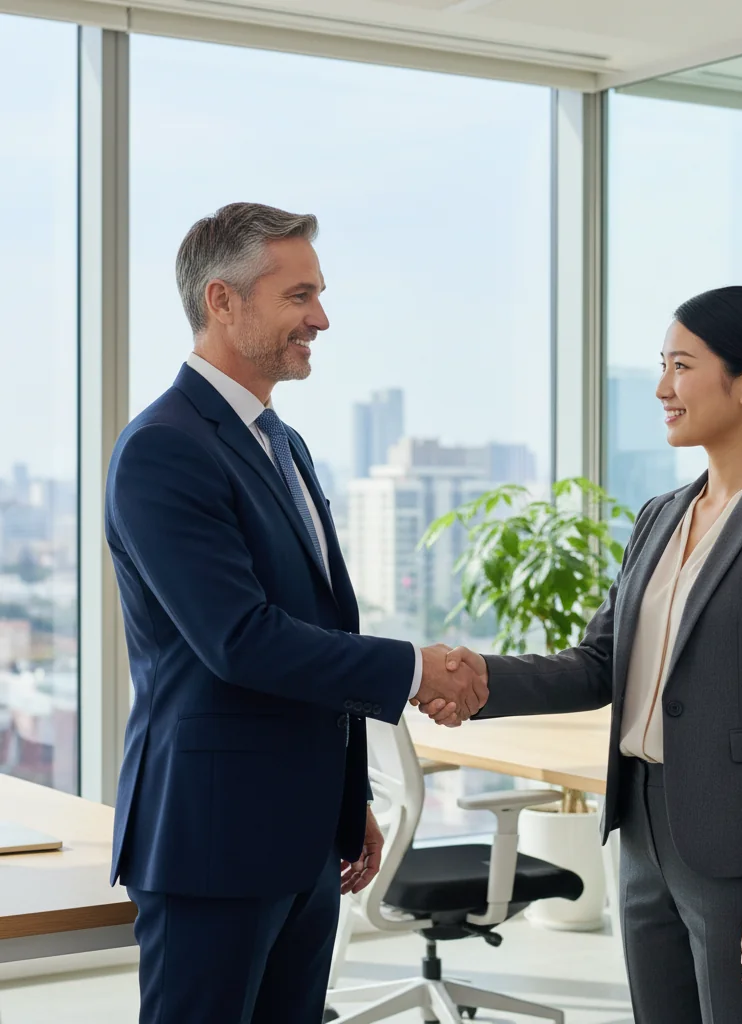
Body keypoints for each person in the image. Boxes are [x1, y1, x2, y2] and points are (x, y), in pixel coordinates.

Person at [422, 285, 742, 1024]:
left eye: (681, 366)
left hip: (739, 850)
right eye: (663, 365)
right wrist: (481, 678)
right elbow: (601, 662)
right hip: (644, 832)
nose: (663, 388)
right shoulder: (661, 515)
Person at [105, 202, 485, 1024]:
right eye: (299, 295)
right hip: (213, 841)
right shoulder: (164, 447)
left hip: (304, 840)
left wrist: (347, 807)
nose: (321, 317)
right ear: (222, 301)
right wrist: (417, 668)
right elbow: (241, 641)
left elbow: (319, 627)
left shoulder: (282, 444)